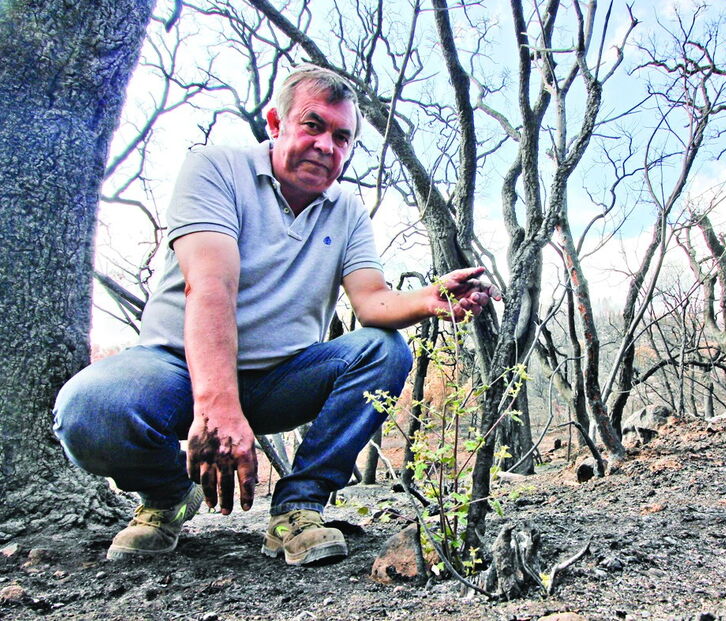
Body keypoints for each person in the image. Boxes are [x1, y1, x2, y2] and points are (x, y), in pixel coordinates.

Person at [53, 64, 499, 566]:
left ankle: (298, 507)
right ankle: (166, 496)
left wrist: (430, 298)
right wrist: (217, 407)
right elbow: (212, 285)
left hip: (282, 378)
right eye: (313, 125)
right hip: (176, 373)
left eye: (341, 136)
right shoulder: (215, 168)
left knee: (382, 349)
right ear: (275, 122)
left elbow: (372, 301)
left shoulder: (346, 211)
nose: (327, 146)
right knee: (88, 408)